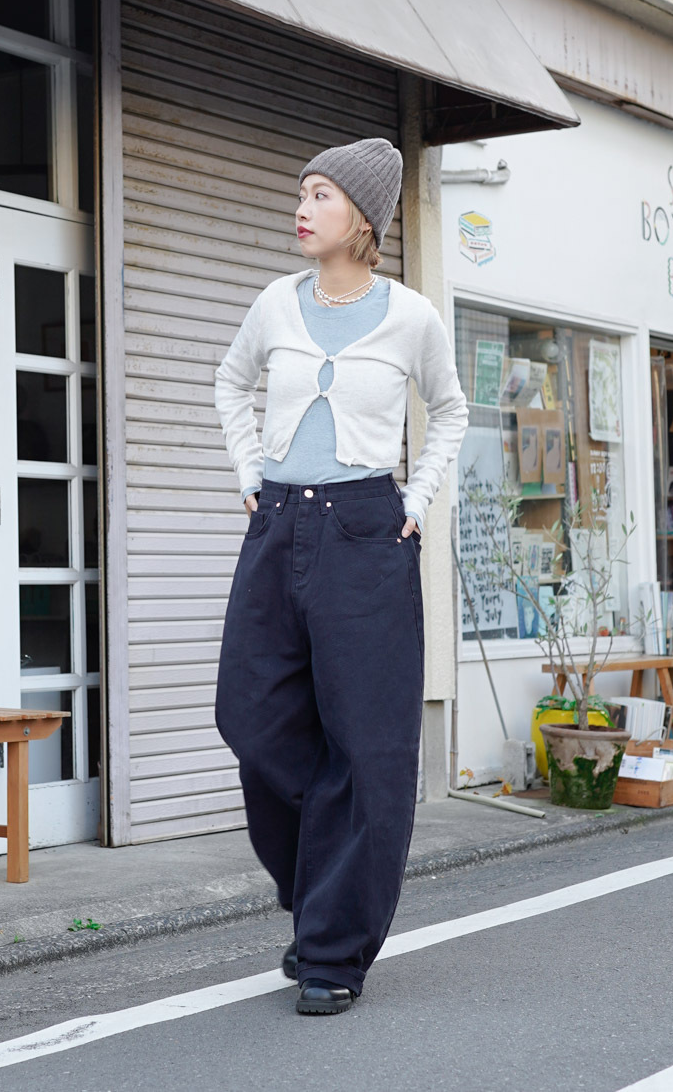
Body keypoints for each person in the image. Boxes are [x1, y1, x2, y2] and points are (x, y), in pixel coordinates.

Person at [213, 137, 469, 1015]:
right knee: (250, 716)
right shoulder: (275, 305)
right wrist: (248, 474)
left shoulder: (412, 318)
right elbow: (230, 383)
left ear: (362, 218)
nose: (303, 206)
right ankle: (321, 894)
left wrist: (416, 499)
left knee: (368, 749)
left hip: (366, 530)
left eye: (321, 194)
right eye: (302, 191)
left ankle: (330, 951)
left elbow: (450, 410)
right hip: (278, 524)